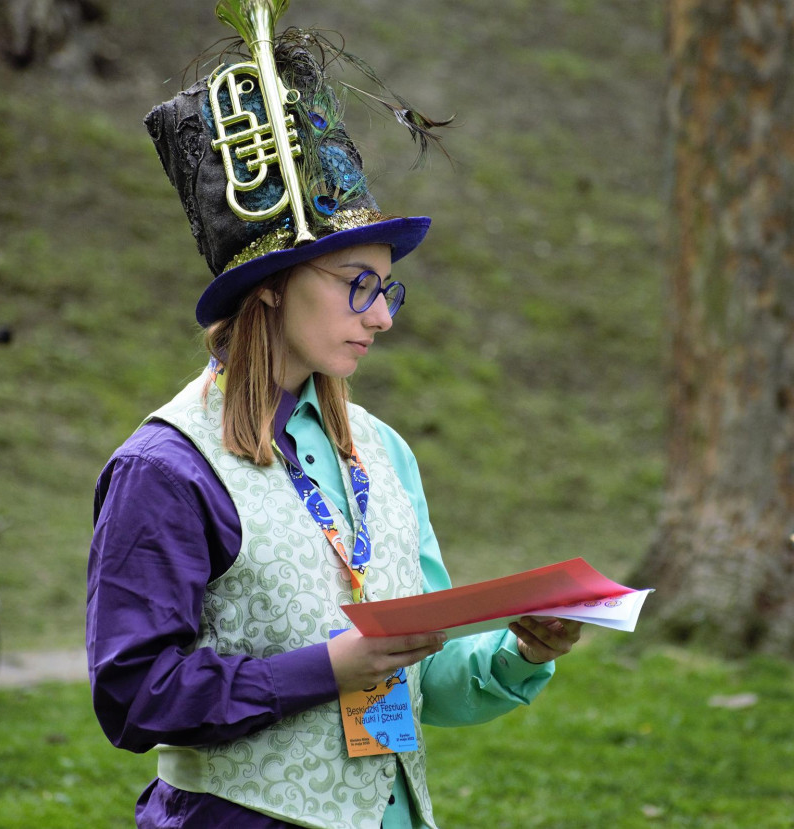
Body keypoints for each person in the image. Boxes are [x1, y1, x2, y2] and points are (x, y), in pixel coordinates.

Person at [86, 8, 583, 828]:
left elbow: (424, 681)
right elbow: (133, 696)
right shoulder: (166, 468)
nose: (382, 316)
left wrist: (523, 651)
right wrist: (326, 668)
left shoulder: (383, 453)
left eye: (386, 288)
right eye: (358, 283)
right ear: (274, 283)